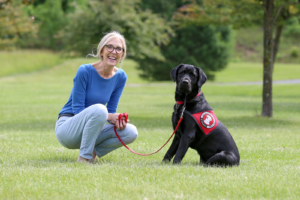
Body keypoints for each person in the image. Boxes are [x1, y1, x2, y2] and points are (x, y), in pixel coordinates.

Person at [55, 31, 138, 163]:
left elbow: (110, 110)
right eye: (109, 47)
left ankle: (93, 152)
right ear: (101, 51)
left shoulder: (121, 76)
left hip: (91, 129)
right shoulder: (84, 71)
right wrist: (109, 116)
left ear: (122, 54)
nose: (114, 51)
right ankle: (84, 158)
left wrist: (117, 121)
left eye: (118, 49)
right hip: (68, 128)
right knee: (100, 109)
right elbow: (77, 110)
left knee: (131, 131)